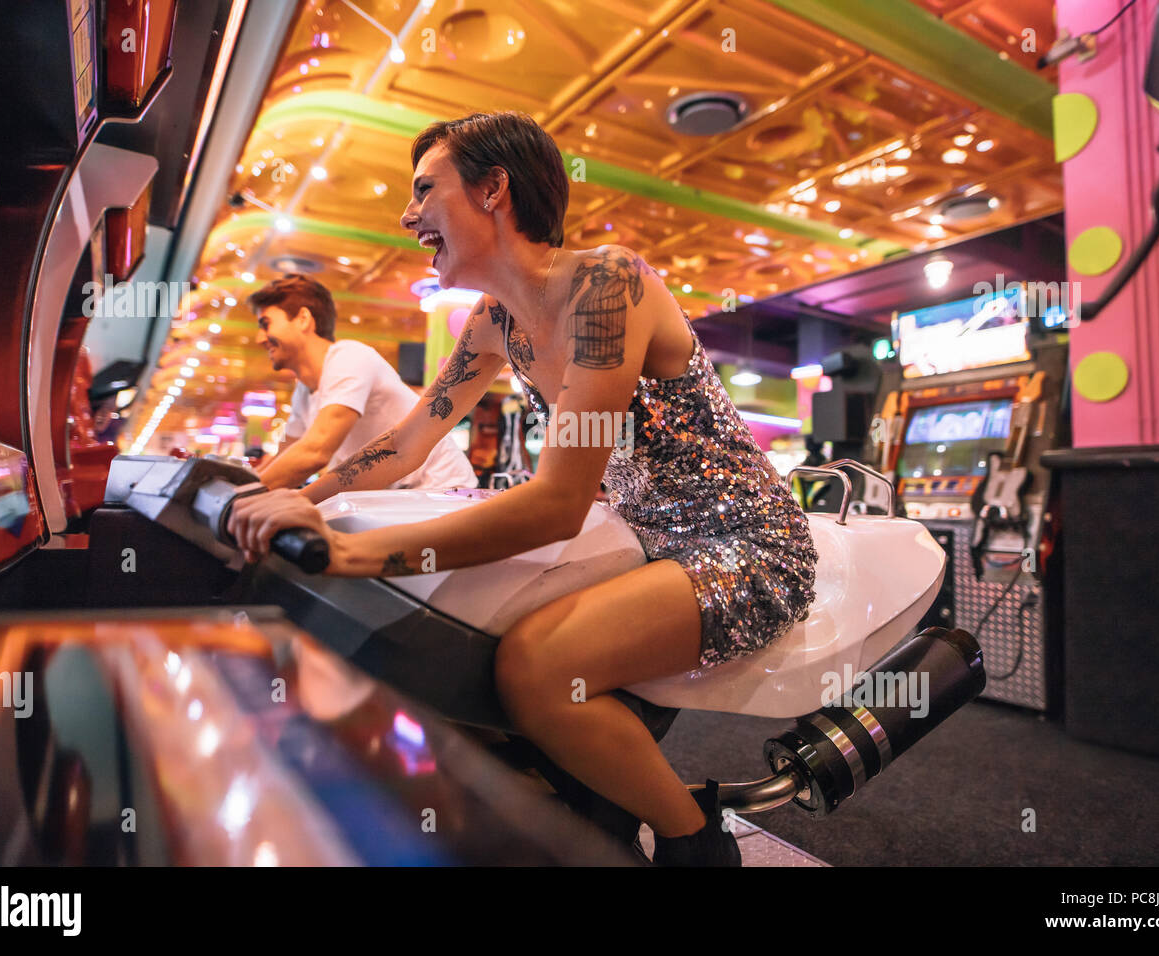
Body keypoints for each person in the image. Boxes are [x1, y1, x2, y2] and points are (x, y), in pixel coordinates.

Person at [228, 111, 818, 866]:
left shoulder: (610, 285)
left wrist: (350, 553)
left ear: (493, 190)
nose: (408, 215)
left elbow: (554, 503)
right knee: (478, 635)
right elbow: (408, 440)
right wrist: (303, 499)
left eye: (423, 191)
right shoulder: (494, 320)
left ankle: (694, 840)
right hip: (642, 533)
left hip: (743, 543)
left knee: (537, 667)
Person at [246, 273, 476, 491]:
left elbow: (315, 452)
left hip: (441, 489)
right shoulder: (303, 390)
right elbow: (287, 453)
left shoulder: (348, 357)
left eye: (265, 324)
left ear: (303, 319)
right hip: (396, 497)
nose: (259, 338)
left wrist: (242, 496)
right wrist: (245, 485)